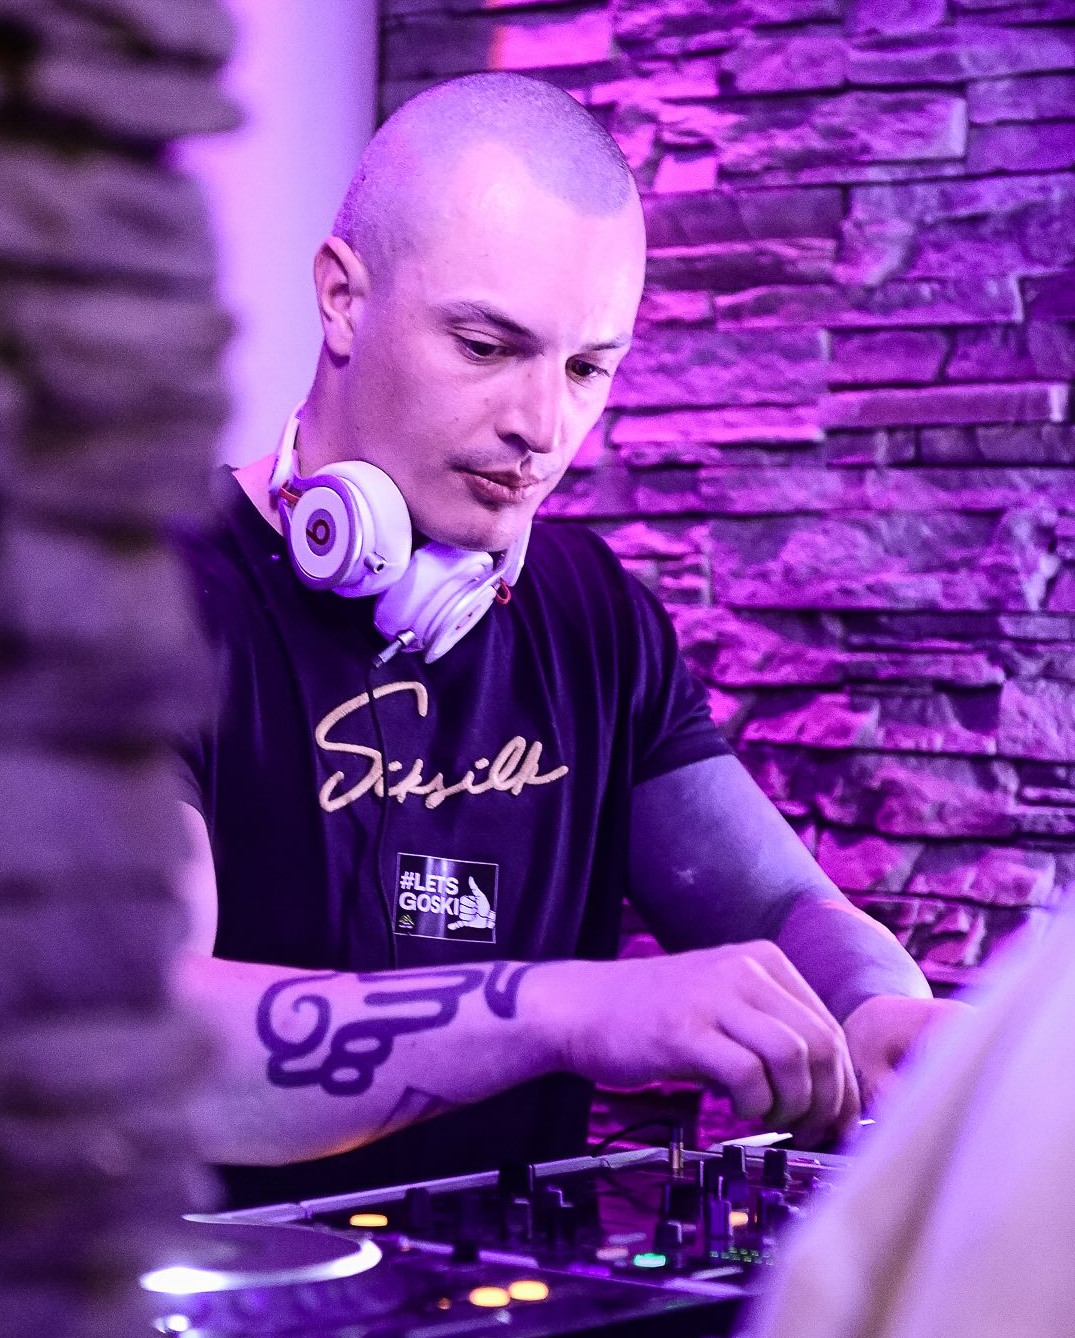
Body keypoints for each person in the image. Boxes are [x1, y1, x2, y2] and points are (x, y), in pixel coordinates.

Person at [172, 73, 939, 1210]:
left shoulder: (590, 614)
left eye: (586, 369)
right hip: (222, 1316)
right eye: (487, 346)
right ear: (340, 298)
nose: (540, 426)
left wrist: (880, 1009)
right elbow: (141, 1038)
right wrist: (567, 1008)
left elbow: (778, 907)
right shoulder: (146, 597)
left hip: (506, 1317)